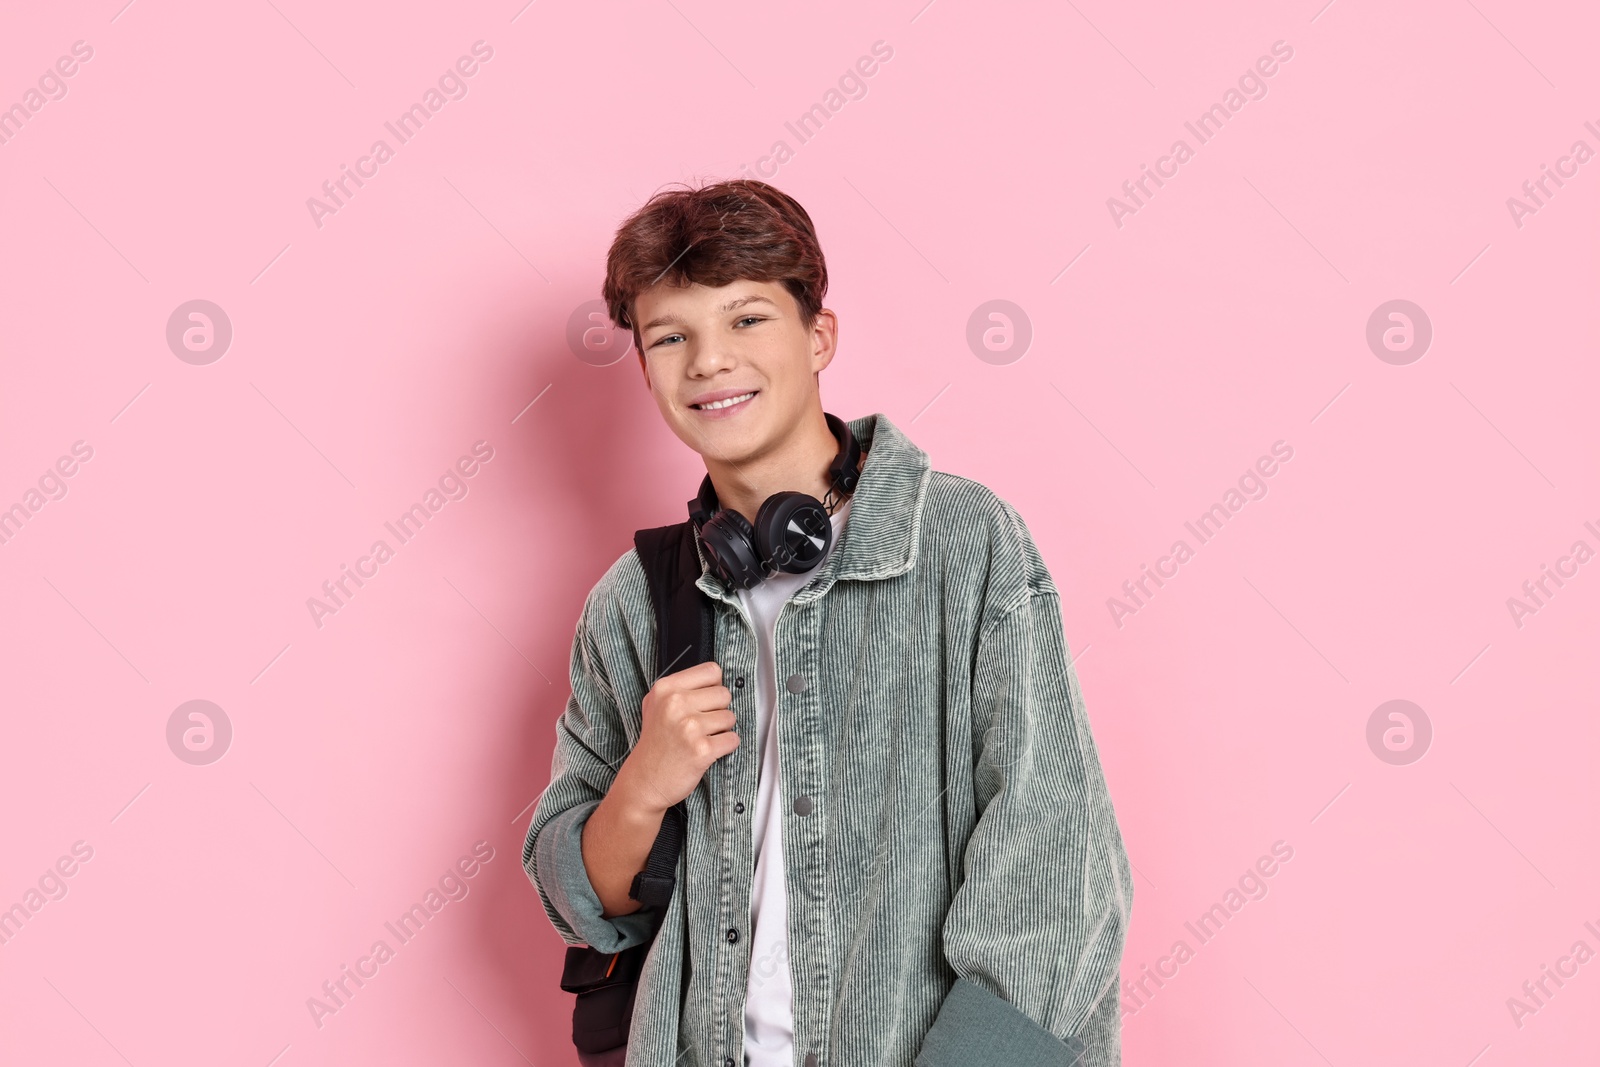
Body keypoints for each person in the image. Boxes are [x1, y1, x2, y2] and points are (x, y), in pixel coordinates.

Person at [523, 178, 1132, 1067]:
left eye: (746, 320)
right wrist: (644, 783)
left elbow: (1058, 867)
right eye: (670, 336)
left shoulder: (958, 544)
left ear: (819, 336)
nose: (707, 361)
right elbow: (583, 901)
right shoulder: (634, 598)